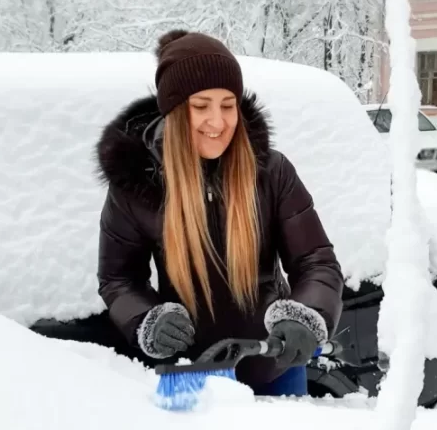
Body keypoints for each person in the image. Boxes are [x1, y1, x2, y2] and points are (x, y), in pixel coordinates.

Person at [94, 29, 344, 396]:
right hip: (191, 377)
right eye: (201, 106)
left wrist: (305, 315)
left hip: (274, 365)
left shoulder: (271, 172)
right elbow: (118, 278)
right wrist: (148, 320)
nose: (218, 121)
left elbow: (316, 261)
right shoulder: (137, 186)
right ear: (175, 112)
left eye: (228, 105)